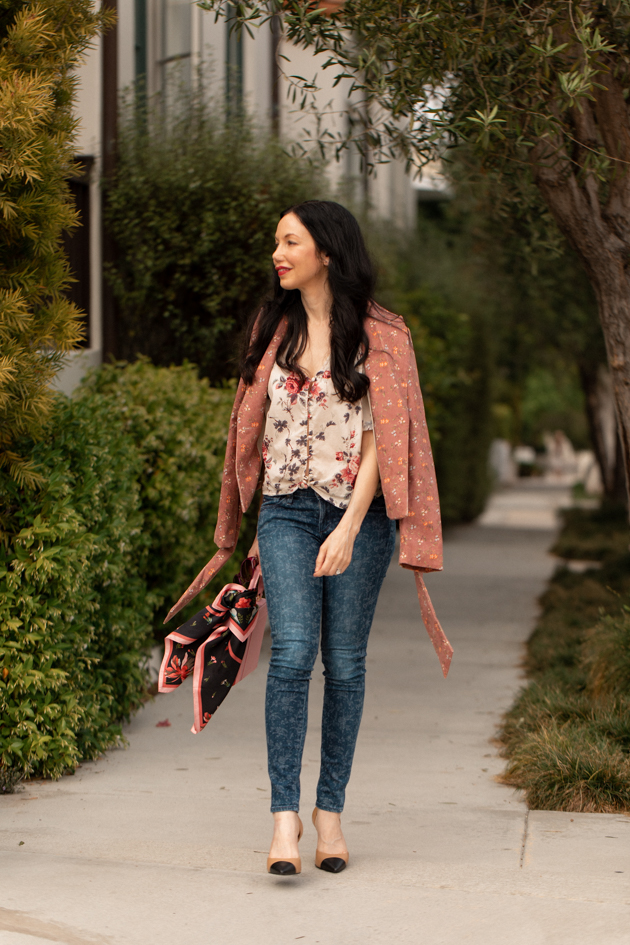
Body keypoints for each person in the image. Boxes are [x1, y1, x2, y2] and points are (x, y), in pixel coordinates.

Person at [165, 200, 452, 877]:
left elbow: (392, 434)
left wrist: (352, 524)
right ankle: (285, 818)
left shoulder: (383, 334)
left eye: (289, 241)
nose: (278, 252)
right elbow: (250, 420)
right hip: (287, 510)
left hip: (364, 515)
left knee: (345, 662)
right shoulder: (273, 327)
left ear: (327, 249)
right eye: (276, 242)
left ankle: (331, 813)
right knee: (292, 653)